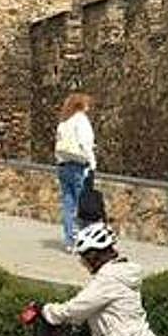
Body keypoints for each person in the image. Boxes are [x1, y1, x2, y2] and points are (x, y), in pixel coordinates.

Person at [54, 93, 97, 251]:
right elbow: (85, 143)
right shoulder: (81, 121)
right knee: (83, 204)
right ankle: (83, 240)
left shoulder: (64, 123)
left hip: (64, 165)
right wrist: (91, 163)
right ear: (81, 105)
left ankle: (70, 240)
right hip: (79, 165)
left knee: (68, 203)